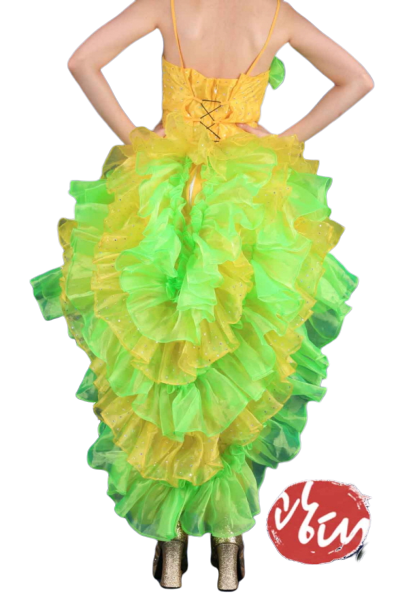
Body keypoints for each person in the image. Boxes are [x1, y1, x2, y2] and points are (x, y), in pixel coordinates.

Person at [28, 0, 372, 592]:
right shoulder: (275, 12)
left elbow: (82, 61)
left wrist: (136, 139)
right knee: (234, 371)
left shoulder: (165, 2)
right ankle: (229, 550)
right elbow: (357, 80)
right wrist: (281, 143)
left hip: (166, 198)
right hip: (246, 204)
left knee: (166, 369)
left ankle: (170, 549)